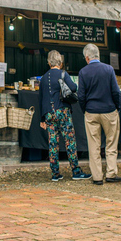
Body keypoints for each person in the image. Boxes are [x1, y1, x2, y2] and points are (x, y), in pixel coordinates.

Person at [39, 50, 91, 181]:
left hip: (49, 114)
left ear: (49, 62)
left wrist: (42, 119)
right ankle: (76, 171)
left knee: (53, 143)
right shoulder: (63, 74)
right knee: (70, 141)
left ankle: (55, 174)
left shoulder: (44, 78)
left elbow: (41, 99)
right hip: (63, 112)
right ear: (60, 63)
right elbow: (73, 87)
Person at [78, 44, 121, 185]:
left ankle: (97, 176)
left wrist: (85, 109)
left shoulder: (83, 72)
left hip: (91, 111)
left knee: (93, 145)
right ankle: (111, 173)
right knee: (111, 143)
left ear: (87, 57)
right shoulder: (108, 69)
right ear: (98, 55)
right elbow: (116, 92)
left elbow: (81, 95)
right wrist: (117, 107)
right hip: (109, 111)